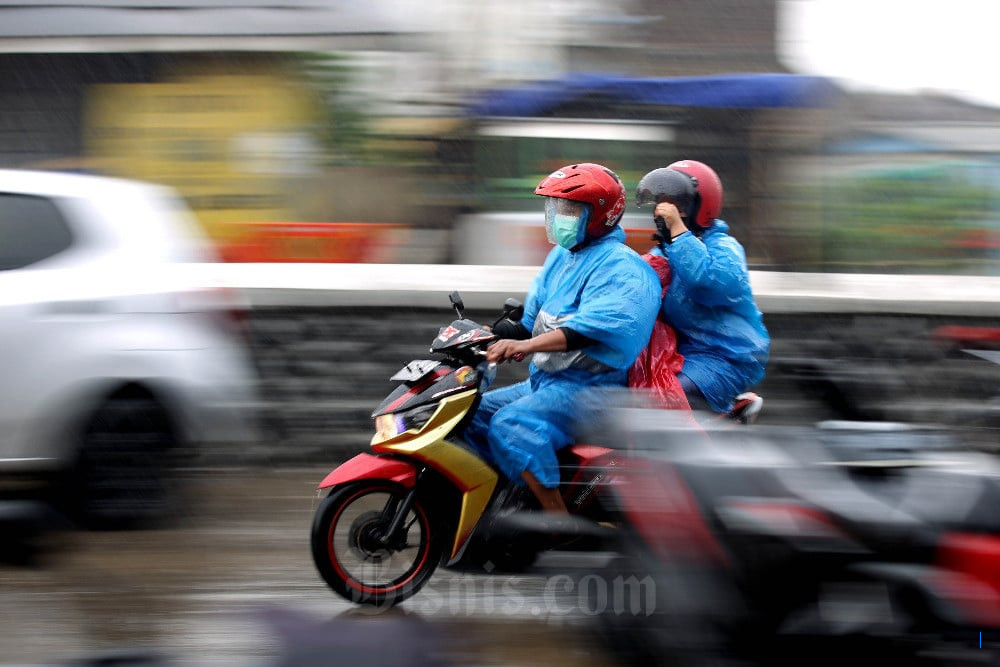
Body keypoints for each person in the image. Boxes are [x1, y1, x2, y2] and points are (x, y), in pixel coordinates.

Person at [463, 162, 661, 513]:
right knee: (469, 413)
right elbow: (528, 323)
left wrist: (525, 346)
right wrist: (480, 335)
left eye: (569, 210)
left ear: (598, 216)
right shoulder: (562, 257)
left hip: (592, 392)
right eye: (555, 208)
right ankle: (510, 502)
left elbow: (587, 332)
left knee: (512, 424)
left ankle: (556, 519)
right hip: (545, 383)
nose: (557, 217)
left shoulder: (625, 268)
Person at [635, 159, 770, 414]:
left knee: (665, 402)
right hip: (681, 353)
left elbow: (706, 284)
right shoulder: (663, 252)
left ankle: (720, 423)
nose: (664, 211)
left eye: (676, 204)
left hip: (726, 357)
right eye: (662, 202)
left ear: (700, 206)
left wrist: (678, 232)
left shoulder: (724, 248)